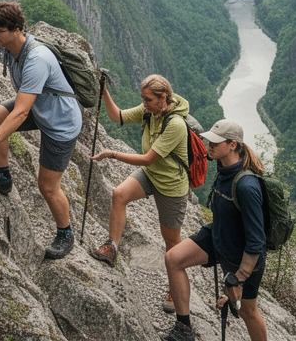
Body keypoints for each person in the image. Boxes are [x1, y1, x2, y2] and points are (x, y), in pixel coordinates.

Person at [0, 0, 83, 260]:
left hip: (60, 123)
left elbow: (22, 111)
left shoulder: (36, 59)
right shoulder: (10, 43)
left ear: (16, 30)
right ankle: (3, 178)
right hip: (41, 106)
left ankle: (66, 233)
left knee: (47, 186)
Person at [89, 75, 190, 312]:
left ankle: (175, 290)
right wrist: (104, 91)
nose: (144, 103)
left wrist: (112, 154)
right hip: (152, 175)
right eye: (143, 99)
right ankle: (111, 249)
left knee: (172, 242)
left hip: (171, 187)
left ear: (163, 98)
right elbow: (118, 116)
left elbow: (148, 158)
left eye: (148, 99)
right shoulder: (150, 111)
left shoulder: (175, 124)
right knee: (119, 195)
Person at [161, 119, 268, 341]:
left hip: (243, 256)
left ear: (232, 145)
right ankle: (184, 328)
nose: (210, 145)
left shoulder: (247, 186)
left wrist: (238, 279)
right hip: (218, 235)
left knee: (247, 311)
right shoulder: (223, 170)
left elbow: (256, 242)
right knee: (173, 259)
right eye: (211, 140)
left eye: (216, 142)